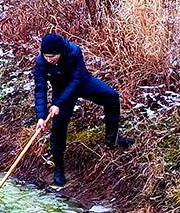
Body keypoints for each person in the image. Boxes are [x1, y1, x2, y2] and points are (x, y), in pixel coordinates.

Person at [33, 33, 133, 186]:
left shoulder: (74, 51)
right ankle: (58, 168)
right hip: (60, 90)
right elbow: (40, 89)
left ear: (60, 51)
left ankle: (112, 139)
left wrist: (58, 104)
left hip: (81, 83)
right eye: (46, 56)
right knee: (58, 125)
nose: (49, 59)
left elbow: (76, 80)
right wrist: (41, 116)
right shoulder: (41, 62)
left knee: (112, 97)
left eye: (52, 56)